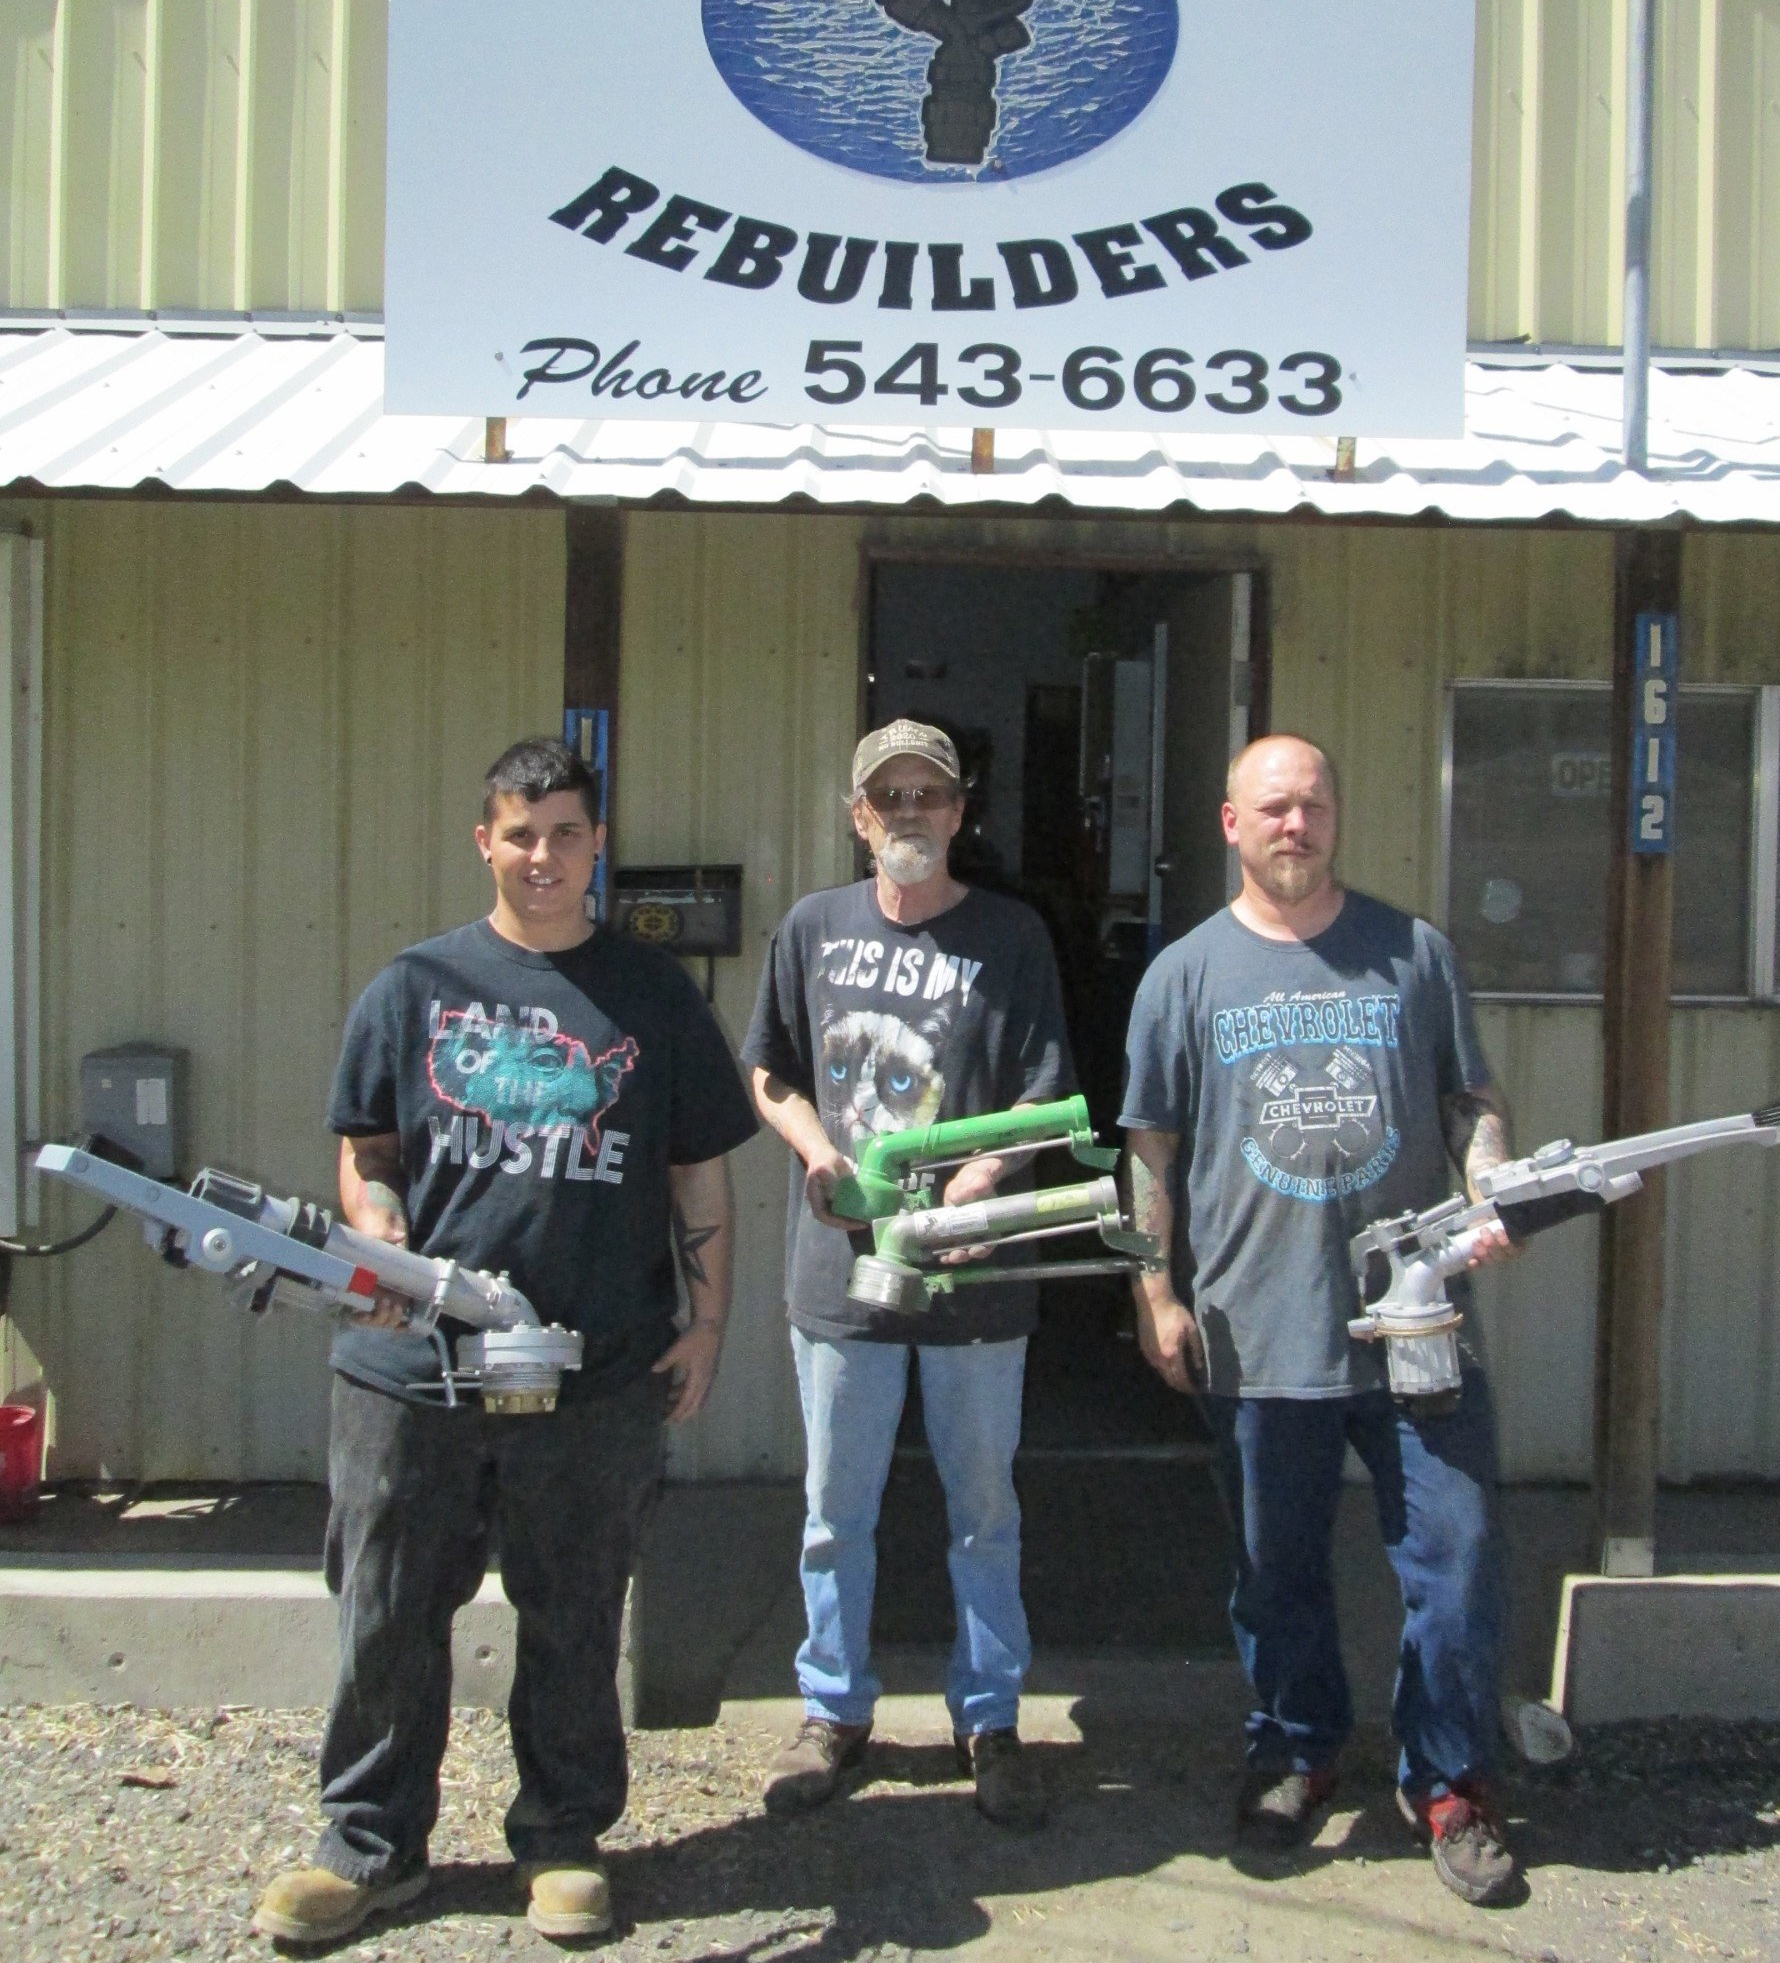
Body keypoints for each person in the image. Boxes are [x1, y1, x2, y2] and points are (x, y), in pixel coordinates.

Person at [252, 737, 756, 1946]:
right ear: (485, 841)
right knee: (386, 1606)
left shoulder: (654, 998)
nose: (544, 855)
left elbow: (699, 1173)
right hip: (408, 1373)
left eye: (566, 832)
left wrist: (708, 1323)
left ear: (597, 844)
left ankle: (563, 1838)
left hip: (594, 1372)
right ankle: (369, 1844)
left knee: (575, 1606)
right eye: (521, 833)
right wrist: (376, 1238)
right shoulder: (414, 987)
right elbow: (368, 1151)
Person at [1120, 734, 1522, 1907]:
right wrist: (1154, 1291)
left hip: (1418, 1329)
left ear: (1337, 815)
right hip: (1257, 1328)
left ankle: (1448, 1780)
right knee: (1275, 1571)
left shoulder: (1414, 952)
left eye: (1313, 804)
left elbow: (1470, 1097)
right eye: (1273, 807)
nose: (1295, 824)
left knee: (1457, 1560)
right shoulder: (1183, 974)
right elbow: (1150, 1144)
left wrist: (1492, 1181)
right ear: (1230, 823)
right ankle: (1296, 1749)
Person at [742, 719, 1072, 1830]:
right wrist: (815, 1151)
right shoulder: (811, 926)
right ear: (858, 816)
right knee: (835, 1510)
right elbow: (769, 1070)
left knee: (985, 1509)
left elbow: (1042, 1090)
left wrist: (980, 1178)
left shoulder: (1012, 934)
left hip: (977, 1277)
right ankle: (832, 1710)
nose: (909, 811)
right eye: (888, 795)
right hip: (843, 1278)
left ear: (960, 810)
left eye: (929, 793)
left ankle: (991, 1718)